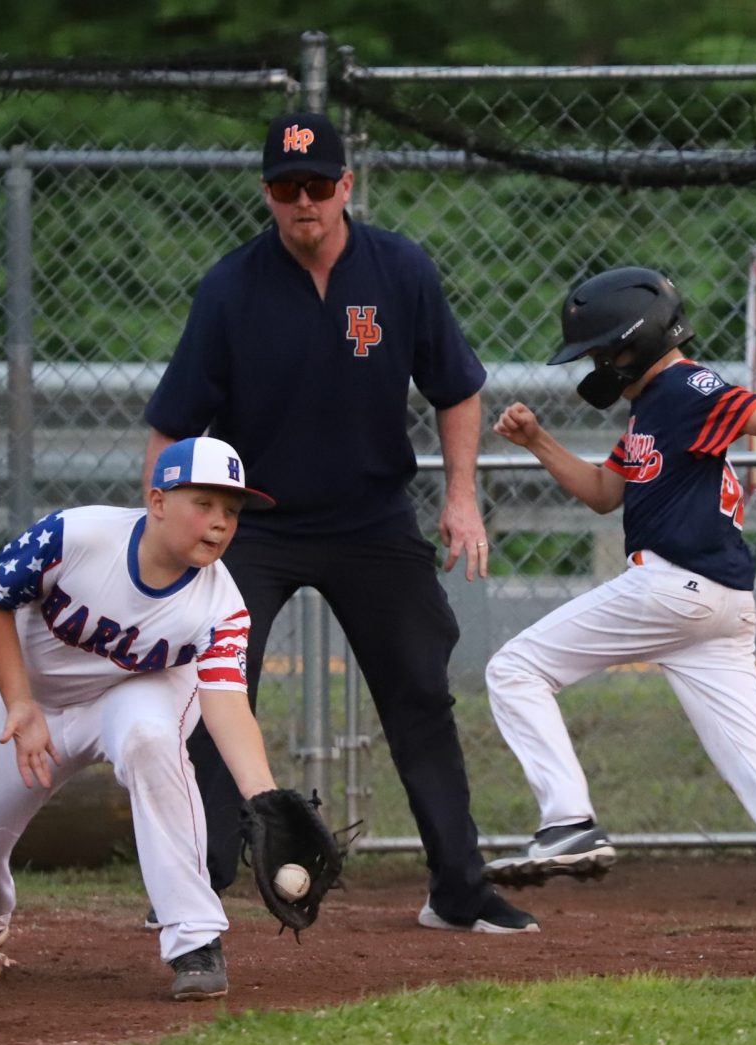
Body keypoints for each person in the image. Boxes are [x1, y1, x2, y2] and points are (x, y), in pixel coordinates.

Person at [141, 110, 537, 935]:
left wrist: (460, 496)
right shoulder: (230, 289)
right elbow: (174, 423)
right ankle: (195, 889)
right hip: (258, 526)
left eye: (319, 184)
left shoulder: (399, 271)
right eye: (287, 188)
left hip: (373, 518)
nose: (303, 201)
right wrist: (168, 535)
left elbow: (457, 387)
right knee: (211, 693)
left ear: (346, 186)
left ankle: (458, 890)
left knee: (420, 692)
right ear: (267, 195)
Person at [482, 266, 756, 970]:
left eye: (598, 352)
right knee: (755, 768)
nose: (595, 367)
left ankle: (568, 819)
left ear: (631, 344)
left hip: (675, 587)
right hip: (710, 607)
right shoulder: (651, 405)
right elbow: (603, 492)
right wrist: (538, 442)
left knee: (515, 667)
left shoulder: (686, 386)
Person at [0, 436, 283, 1001]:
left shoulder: (222, 605)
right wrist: (18, 701)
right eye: (202, 504)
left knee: (150, 739)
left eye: (230, 511)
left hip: (135, 696)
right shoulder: (76, 536)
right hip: (36, 706)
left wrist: (265, 799)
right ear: (157, 501)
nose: (219, 523)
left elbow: (227, 702)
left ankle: (194, 939)